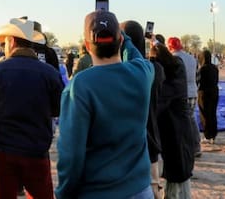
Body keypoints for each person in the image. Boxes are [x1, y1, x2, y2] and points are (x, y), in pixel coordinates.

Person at [56, 12, 154, 199]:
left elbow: (71, 154)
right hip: (140, 189)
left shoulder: (80, 86)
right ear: (119, 40)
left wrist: (63, 193)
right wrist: (125, 39)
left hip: (97, 192)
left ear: (86, 45)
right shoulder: (142, 73)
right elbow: (137, 56)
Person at [0, 18, 63, 199]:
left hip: (5, 149)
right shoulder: (49, 73)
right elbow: (59, 109)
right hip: (37, 149)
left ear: (11, 41)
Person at [122, 20, 165, 198]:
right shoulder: (156, 69)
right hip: (152, 143)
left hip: (127, 150)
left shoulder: (120, 72)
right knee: (152, 189)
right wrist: (154, 42)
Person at [150, 43, 195, 198]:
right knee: (180, 179)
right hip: (179, 130)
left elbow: (157, 105)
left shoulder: (168, 85)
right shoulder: (178, 67)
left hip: (176, 135)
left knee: (177, 183)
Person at [167, 37, 201, 158]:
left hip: (181, 93)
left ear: (170, 47)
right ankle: (196, 146)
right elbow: (198, 77)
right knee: (191, 119)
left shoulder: (173, 59)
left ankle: (187, 147)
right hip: (193, 92)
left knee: (182, 122)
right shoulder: (192, 58)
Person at [197, 49, 219, 145]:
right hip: (214, 92)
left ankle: (207, 135)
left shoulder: (202, 69)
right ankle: (213, 135)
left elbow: (198, 82)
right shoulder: (215, 68)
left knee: (205, 114)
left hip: (204, 94)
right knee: (213, 113)